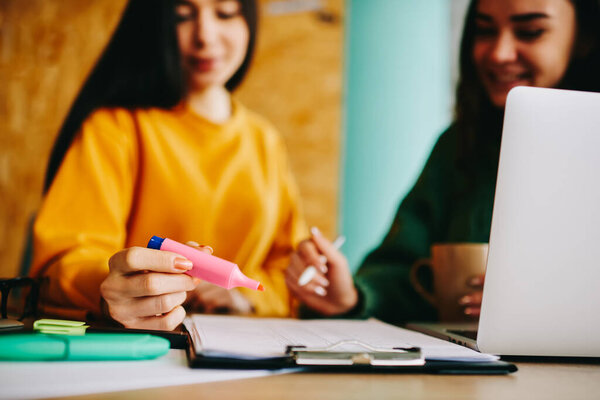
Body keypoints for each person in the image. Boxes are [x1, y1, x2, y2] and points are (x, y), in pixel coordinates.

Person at [285, 0, 600, 324]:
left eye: (530, 32)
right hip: (466, 367)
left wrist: (565, 300)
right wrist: (351, 298)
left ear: (585, 37)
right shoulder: (459, 146)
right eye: (484, 30)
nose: (499, 53)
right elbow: (404, 274)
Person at [31, 0, 307, 330]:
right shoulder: (114, 128)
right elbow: (62, 265)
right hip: (135, 348)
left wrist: (249, 298)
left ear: (248, 22)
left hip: (243, 352)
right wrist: (114, 290)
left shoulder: (265, 140)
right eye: (182, 16)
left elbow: (290, 275)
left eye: (225, 13)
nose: (205, 35)